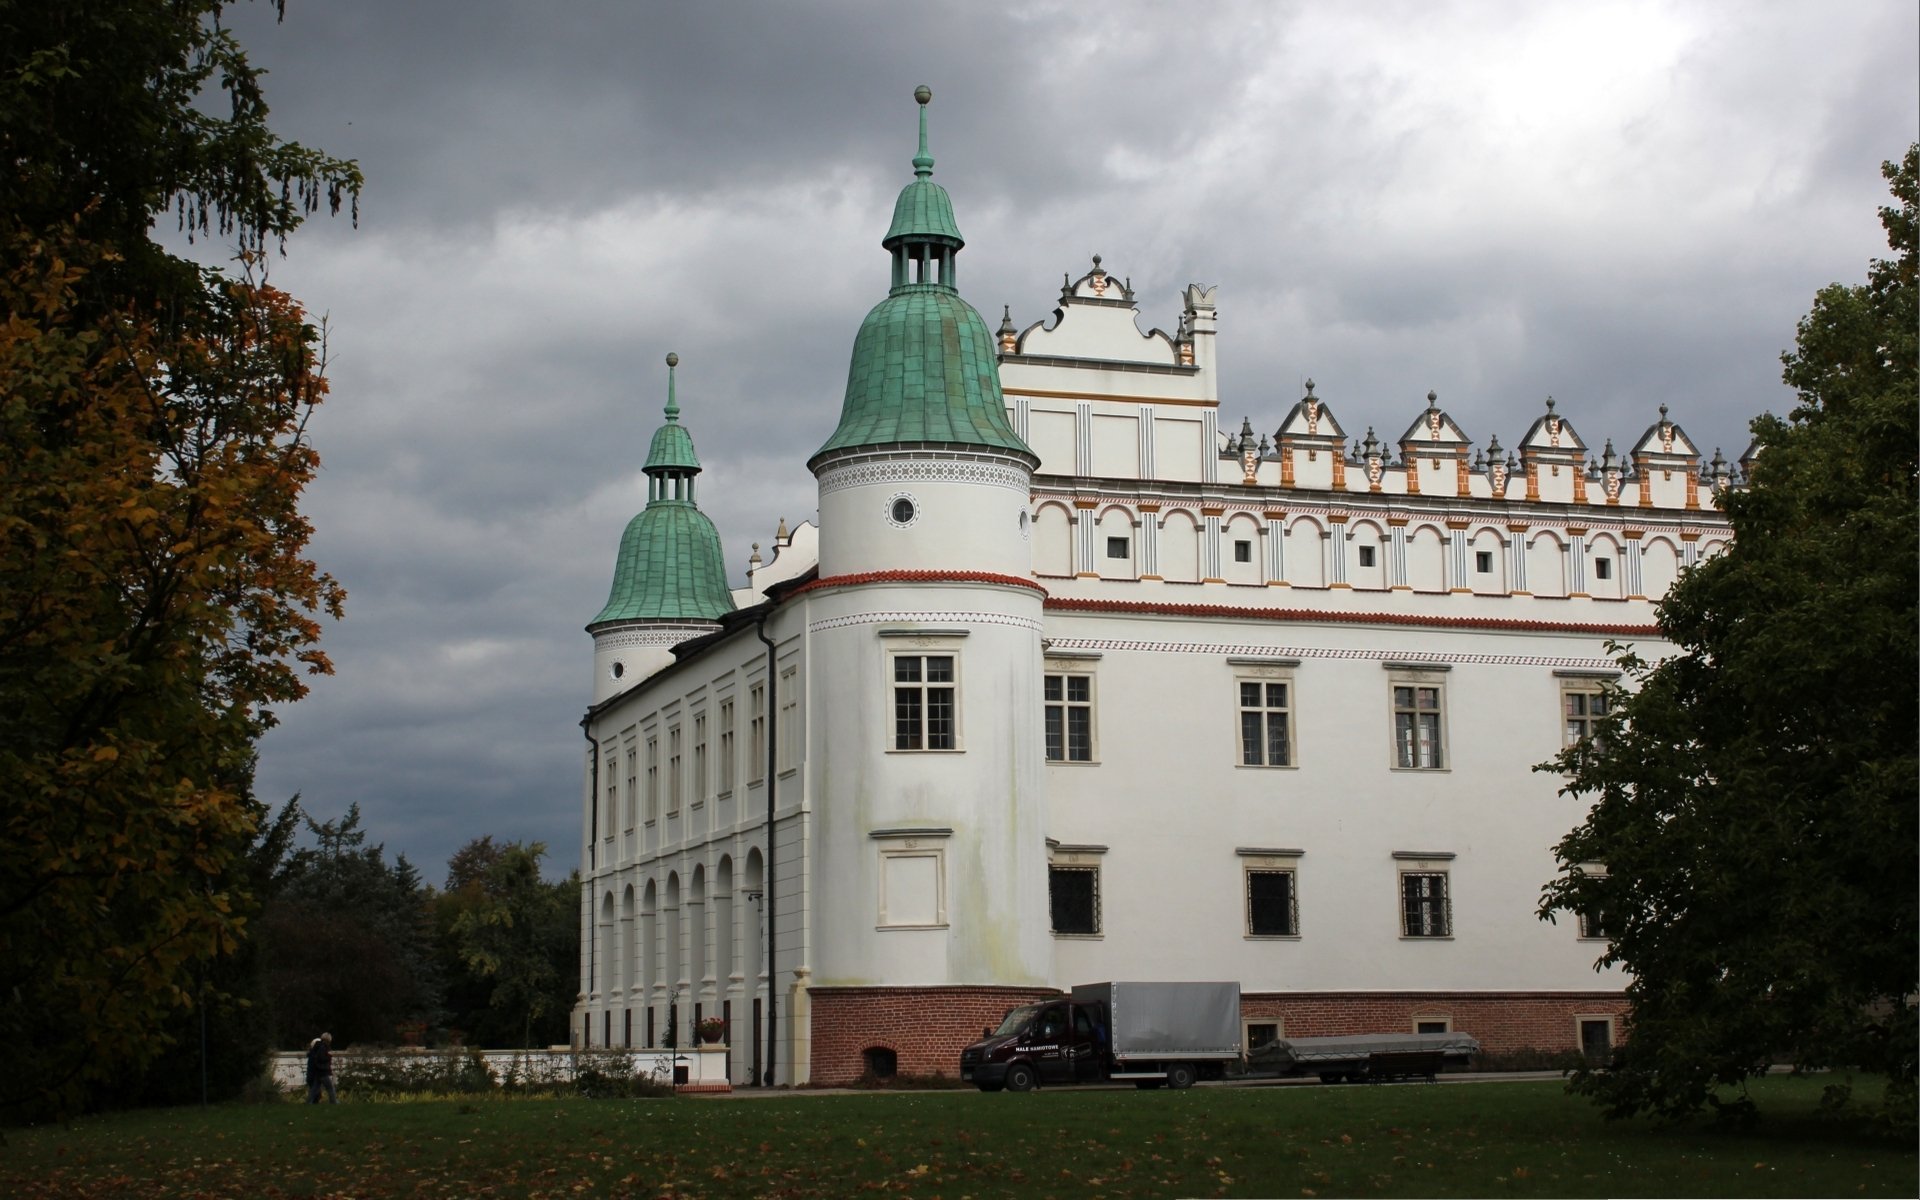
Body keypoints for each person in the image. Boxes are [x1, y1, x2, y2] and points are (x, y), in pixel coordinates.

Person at [305, 1032, 336, 1104]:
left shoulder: (316, 1047)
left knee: (314, 1089)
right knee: (330, 1088)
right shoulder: (323, 1047)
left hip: (317, 1072)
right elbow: (321, 1058)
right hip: (323, 1071)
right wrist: (329, 1056)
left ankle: (309, 1102)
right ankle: (333, 1102)